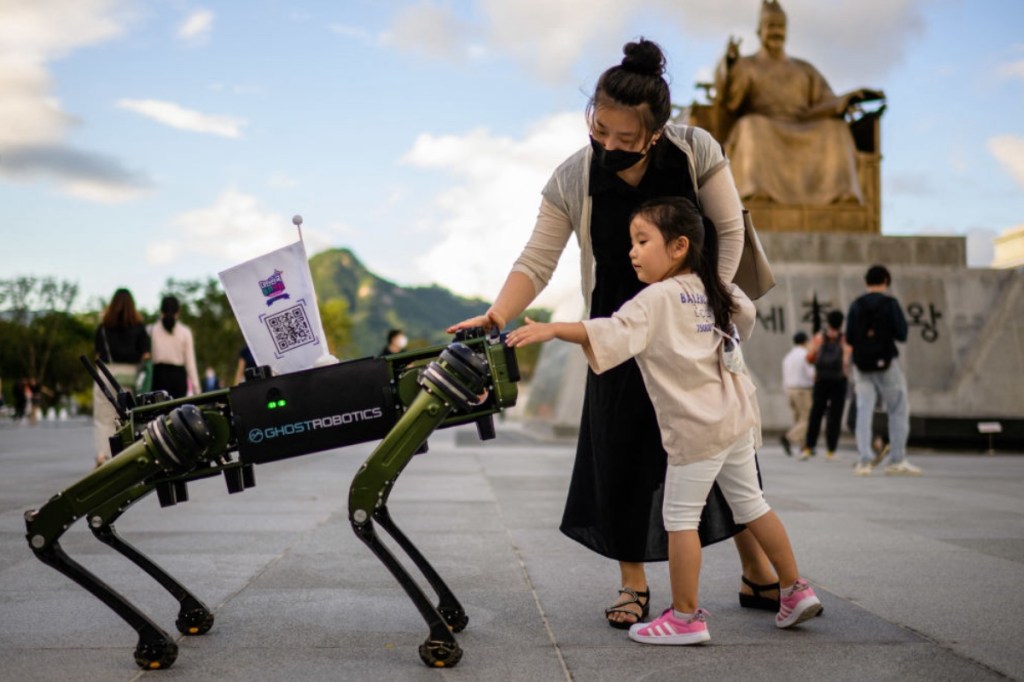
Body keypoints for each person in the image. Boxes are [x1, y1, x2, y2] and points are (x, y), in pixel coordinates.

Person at [448, 38, 780, 629]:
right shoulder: (575, 175)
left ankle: (758, 570)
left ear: (656, 132)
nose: (608, 145)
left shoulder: (696, 148)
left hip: (693, 324)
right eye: (600, 129)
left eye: (625, 139)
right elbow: (536, 260)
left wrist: (709, 302)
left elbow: (728, 231)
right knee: (622, 451)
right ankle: (633, 584)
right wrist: (499, 313)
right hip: (617, 326)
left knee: (723, 444)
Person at [506, 196, 822, 644]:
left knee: (679, 519)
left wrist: (553, 329)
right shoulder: (716, 288)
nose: (631, 251)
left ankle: (686, 618)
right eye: (631, 242)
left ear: (678, 247)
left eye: (642, 241)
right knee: (752, 505)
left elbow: (609, 331)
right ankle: (795, 590)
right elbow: (744, 317)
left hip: (696, 430)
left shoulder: (655, 299)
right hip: (735, 417)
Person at [712, 0, 883, 205]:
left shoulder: (804, 69)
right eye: (771, 26)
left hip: (803, 123)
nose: (777, 32)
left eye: (781, 27)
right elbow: (730, 99)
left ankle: (842, 196)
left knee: (836, 130)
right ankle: (757, 192)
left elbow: (825, 99)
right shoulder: (748, 65)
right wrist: (731, 63)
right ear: (760, 31)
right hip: (765, 125)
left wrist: (844, 102)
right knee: (751, 126)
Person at [846, 265, 920, 476]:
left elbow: (850, 337)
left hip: (861, 364)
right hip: (887, 363)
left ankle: (865, 459)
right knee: (897, 408)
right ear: (886, 280)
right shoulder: (891, 304)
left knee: (863, 410)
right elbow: (902, 334)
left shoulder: (856, 305)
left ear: (866, 281)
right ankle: (896, 459)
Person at [94, 288, 150, 466]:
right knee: (126, 419)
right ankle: (122, 458)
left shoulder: (103, 327)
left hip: (106, 372)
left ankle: (103, 456)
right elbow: (146, 354)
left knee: (103, 419)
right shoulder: (139, 327)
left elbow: (97, 353)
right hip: (129, 375)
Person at [802, 310, 850, 461]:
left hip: (821, 380)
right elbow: (847, 362)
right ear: (842, 323)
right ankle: (831, 450)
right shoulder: (845, 340)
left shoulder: (819, 338)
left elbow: (809, 358)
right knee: (835, 415)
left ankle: (809, 447)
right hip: (839, 380)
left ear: (828, 322)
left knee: (816, 413)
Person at [149, 295, 200, 399]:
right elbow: (190, 364)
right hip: (178, 378)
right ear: (178, 312)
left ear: (161, 311)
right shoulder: (185, 332)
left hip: (158, 376)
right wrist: (197, 389)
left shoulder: (151, 330)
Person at [779, 330, 814, 456]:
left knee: (798, 419)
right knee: (806, 419)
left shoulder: (788, 356)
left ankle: (802, 447)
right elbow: (810, 374)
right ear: (805, 341)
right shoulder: (805, 355)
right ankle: (788, 437)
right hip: (802, 390)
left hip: (790, 389)